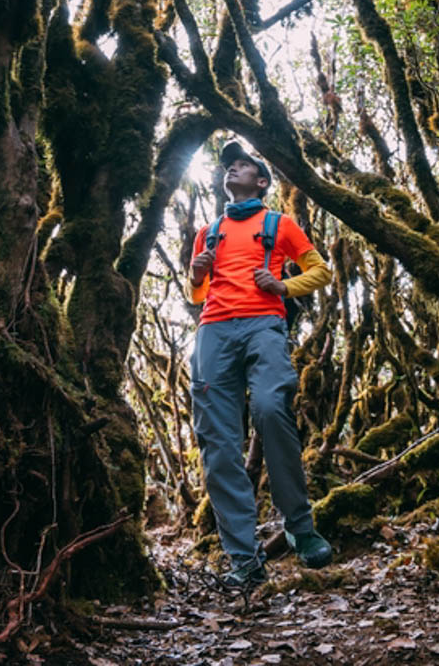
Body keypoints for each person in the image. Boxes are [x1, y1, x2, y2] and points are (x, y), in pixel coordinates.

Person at [189, 141, 335, 589]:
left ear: (262, 180)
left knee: (272, 408)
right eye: (228, 166)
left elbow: (321, 270)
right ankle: (243, 558)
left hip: (263, 325)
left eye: (243, 165)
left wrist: (283, 286)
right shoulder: (208, 231)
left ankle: (300, 528)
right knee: (217, 440)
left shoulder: (279, 224)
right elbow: (197, 295)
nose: (232, 170)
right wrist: (197, 275)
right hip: (214, 330)